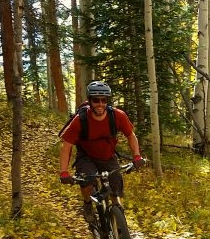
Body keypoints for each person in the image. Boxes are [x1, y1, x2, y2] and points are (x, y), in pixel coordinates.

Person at [59, 81, 145, 222]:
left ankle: (119, 224)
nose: (100, 104)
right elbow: (66, 147)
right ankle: (87, 204)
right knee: (87, 181)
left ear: (107, 101)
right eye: (96, 100)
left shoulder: (117, 116)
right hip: (86, 157)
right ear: (90, 101)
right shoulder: (80, 120)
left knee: (116, 189)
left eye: (103, 100)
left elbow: (131, 136)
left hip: (108, 156)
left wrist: (137, 156)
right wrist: (64, 172)